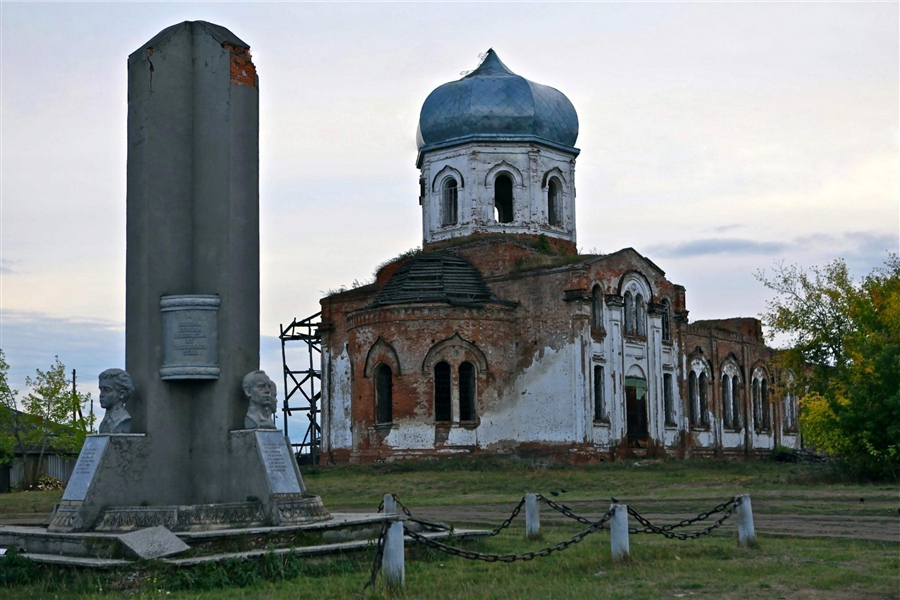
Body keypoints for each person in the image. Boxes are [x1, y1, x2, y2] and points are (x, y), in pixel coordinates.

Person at [98, 368, 133, 434]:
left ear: (122, 394)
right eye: (101, 390)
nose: (101, 395)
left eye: (107, 390)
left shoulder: (123, 419)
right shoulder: (105, 421)